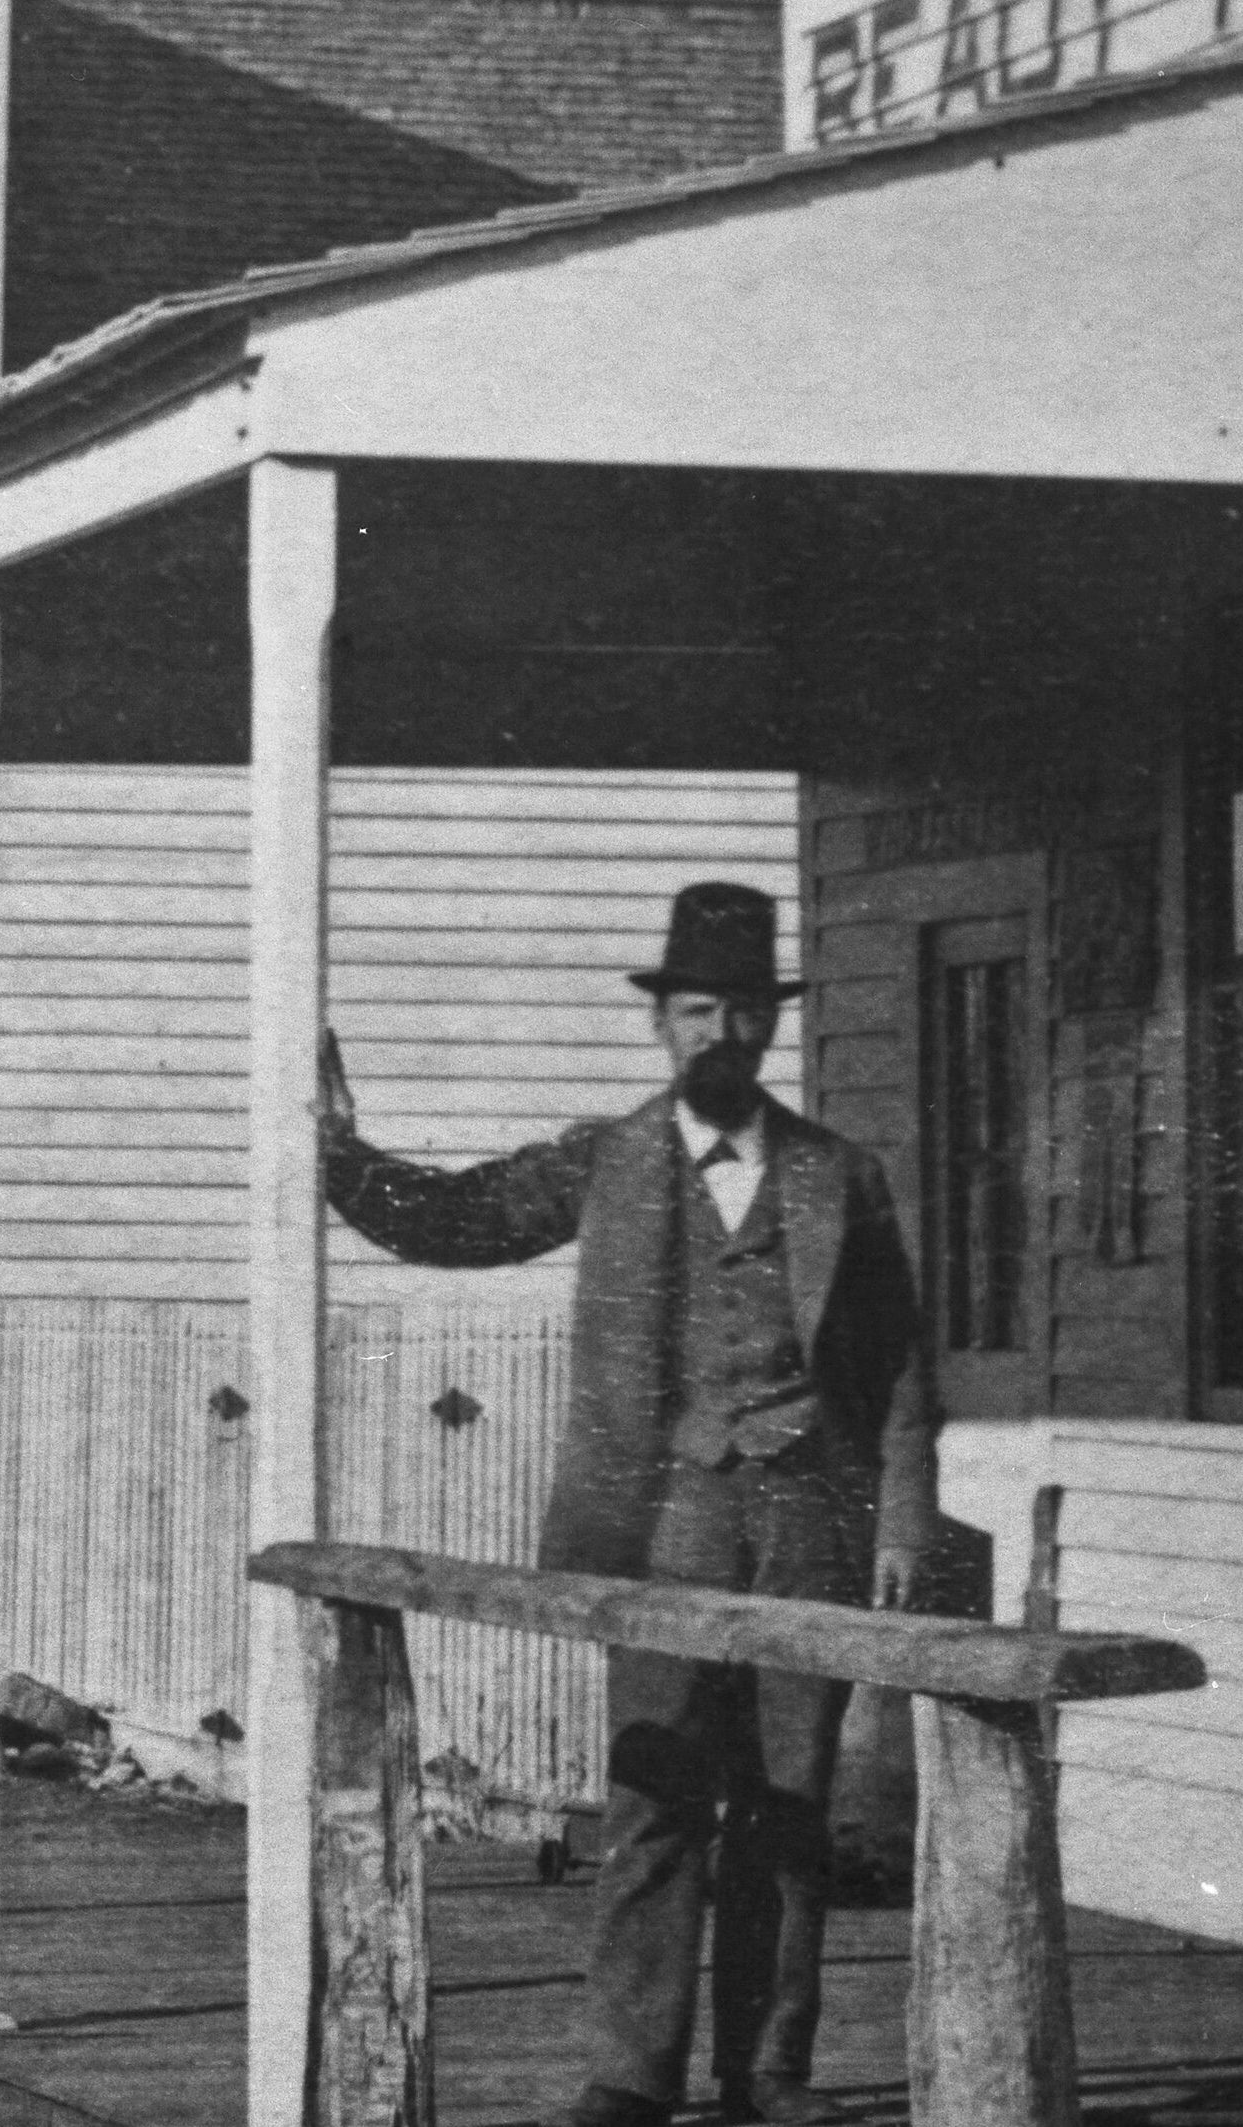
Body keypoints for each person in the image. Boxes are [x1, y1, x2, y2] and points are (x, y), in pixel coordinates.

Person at [316, 881, 938, 2127]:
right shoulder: (607, 1160)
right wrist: (341, 1156)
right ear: (662, 1022)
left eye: (742, 1010)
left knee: (788, 1803)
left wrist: (904, 1520)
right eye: (697, 1009)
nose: (720, 1032)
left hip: (807, 1523)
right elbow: (462, 1219)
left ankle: (767, 2073)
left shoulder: (837, 1175)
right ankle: (630, 2074)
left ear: (771, 1022)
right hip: (662, 1522)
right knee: (655, 1793)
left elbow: (898, 1367)